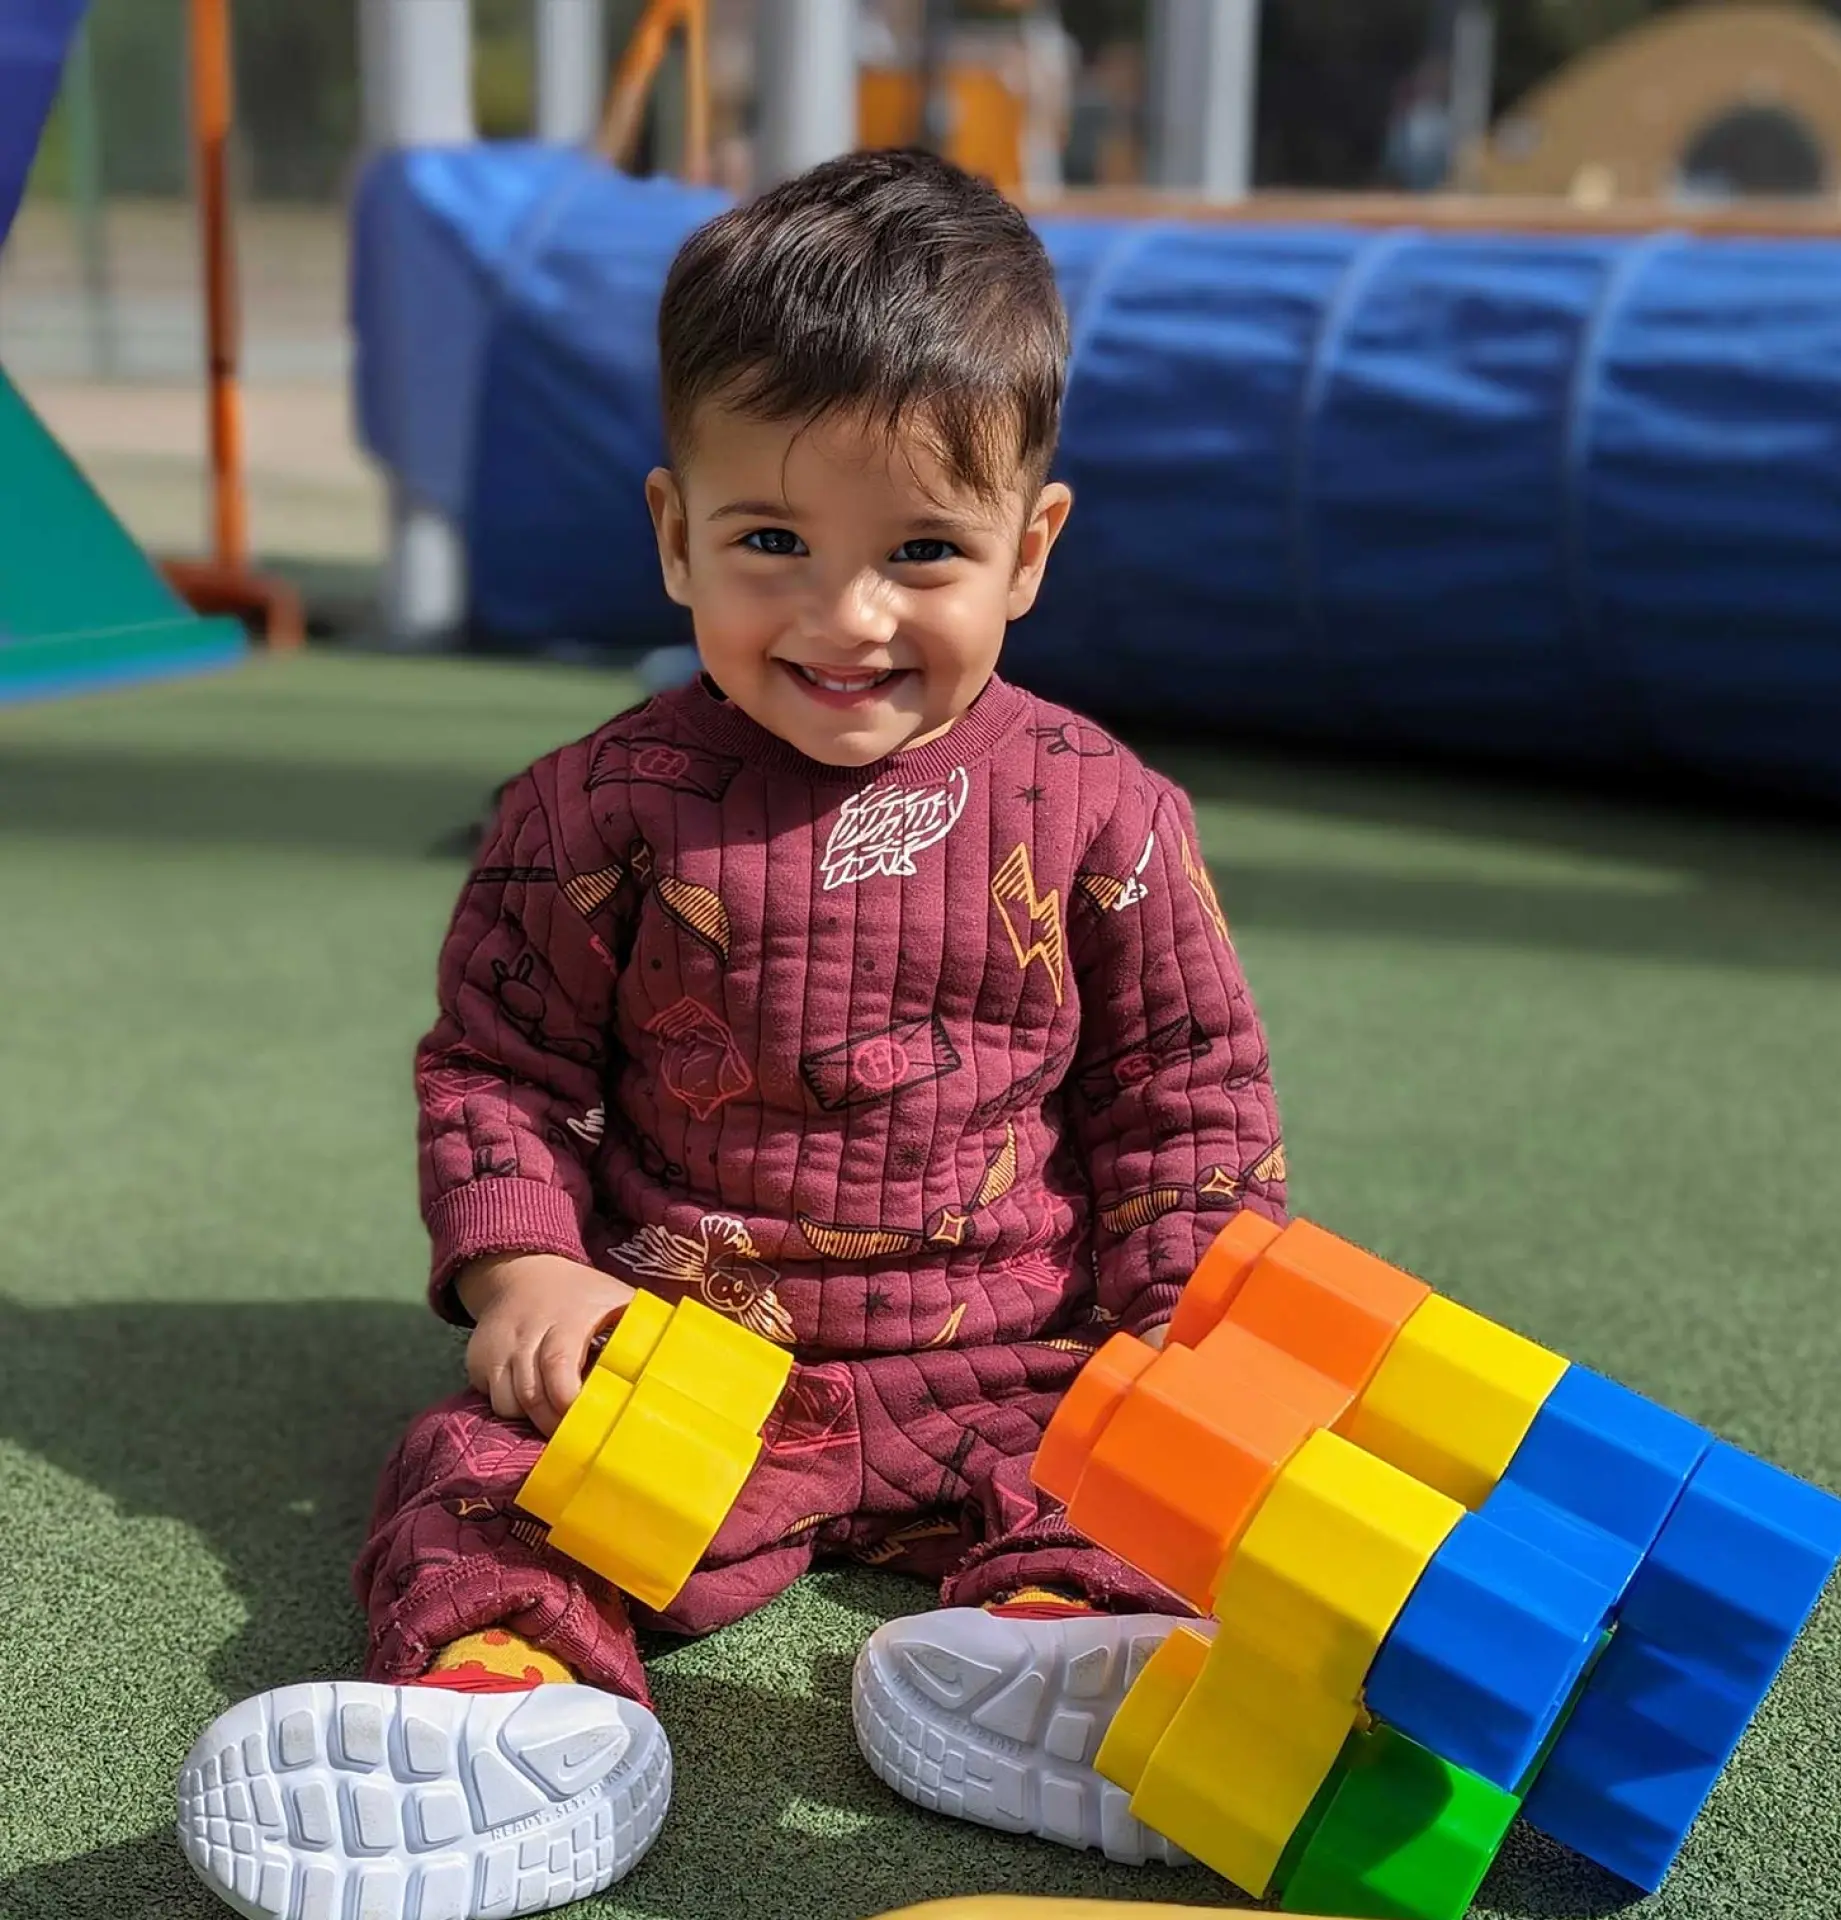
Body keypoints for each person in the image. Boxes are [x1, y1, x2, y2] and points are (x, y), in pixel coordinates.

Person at [175, 147, 1287, 1920]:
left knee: (1161, 1473)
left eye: (923, 551)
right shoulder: (590, 808)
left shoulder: (1105, 811)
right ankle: (514, 1718)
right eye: (774, 542)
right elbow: (501, 1065)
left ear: (1031, 551)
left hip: (1017, 1355)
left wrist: (1180, 1331)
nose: (846, 618)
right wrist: (521, 1273)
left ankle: (1064, 1656)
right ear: (675, 531)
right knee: (479, 1472)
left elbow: (1186, 1096)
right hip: (683, 1357)